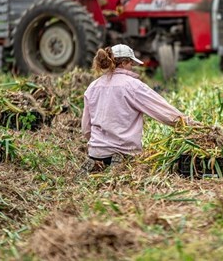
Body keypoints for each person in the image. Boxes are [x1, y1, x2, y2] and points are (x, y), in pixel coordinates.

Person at [80, 44, 196, 173]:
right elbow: (163, 111)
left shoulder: (92, 87)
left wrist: (99, 144)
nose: (133, 69)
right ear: (124, 63)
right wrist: (190, 124)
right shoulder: (133, 86)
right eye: (131, 64)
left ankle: (96, 163)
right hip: (124, 153)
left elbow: (86, 128)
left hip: (96, 152)